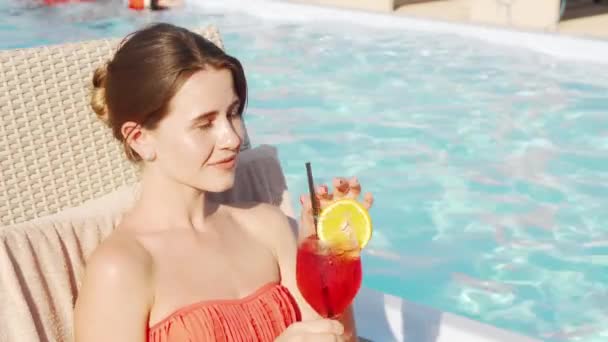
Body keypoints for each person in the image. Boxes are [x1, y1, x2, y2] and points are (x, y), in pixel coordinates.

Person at [73, 22, 374, 342]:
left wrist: (333, 253)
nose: (233, 138)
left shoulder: (268, 227)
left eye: (233, 113)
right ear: (140, 139)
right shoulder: (123, 267)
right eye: (205, 123)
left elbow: (339, 337)